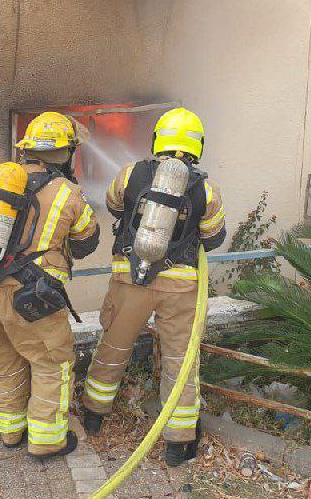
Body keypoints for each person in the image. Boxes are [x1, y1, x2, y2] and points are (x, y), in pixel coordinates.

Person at [81, 107, 226, 467]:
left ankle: (94, 416)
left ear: (158, 139)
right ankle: (179, 443)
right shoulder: (206, 190)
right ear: (198, 146)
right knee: (180, 361)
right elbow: (214, 237)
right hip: (181, 289)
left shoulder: (132, 174)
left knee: (113, 346)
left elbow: (115, 205)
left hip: (131, 279)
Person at [0, 112, 100, 459]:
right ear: (66, 152)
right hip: (32, 298)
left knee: (2, 362)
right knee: (52, 362)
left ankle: (12, 432)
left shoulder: (1, 184)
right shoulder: (68, 194)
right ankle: (46, 440)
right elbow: (88, 243)